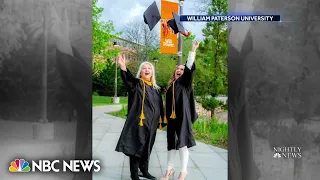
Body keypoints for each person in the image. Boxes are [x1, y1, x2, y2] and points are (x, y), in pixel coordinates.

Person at [115, 54, 165, 180]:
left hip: (151, 124)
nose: (147, 70)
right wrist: (123, 66)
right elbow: (128, 80)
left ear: (152, 72)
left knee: (148, 146)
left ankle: (144, 170)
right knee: (137, 146)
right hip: (139, 123)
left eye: (149, 68)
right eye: (144, 68)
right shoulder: (137, 85)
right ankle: (134, 175)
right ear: (141, 72)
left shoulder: (156, 89)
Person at [160, 40, 200, 180]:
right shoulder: (171, 85)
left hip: (183, 117)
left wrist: (192, 50)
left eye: (182, 69)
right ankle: (169, 169)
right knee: (171, 143)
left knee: (182, 143)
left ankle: (183, 171)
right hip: (172, 118)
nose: (179, 70)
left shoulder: (185, 83)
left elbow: (189, 67)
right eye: (178, 68)